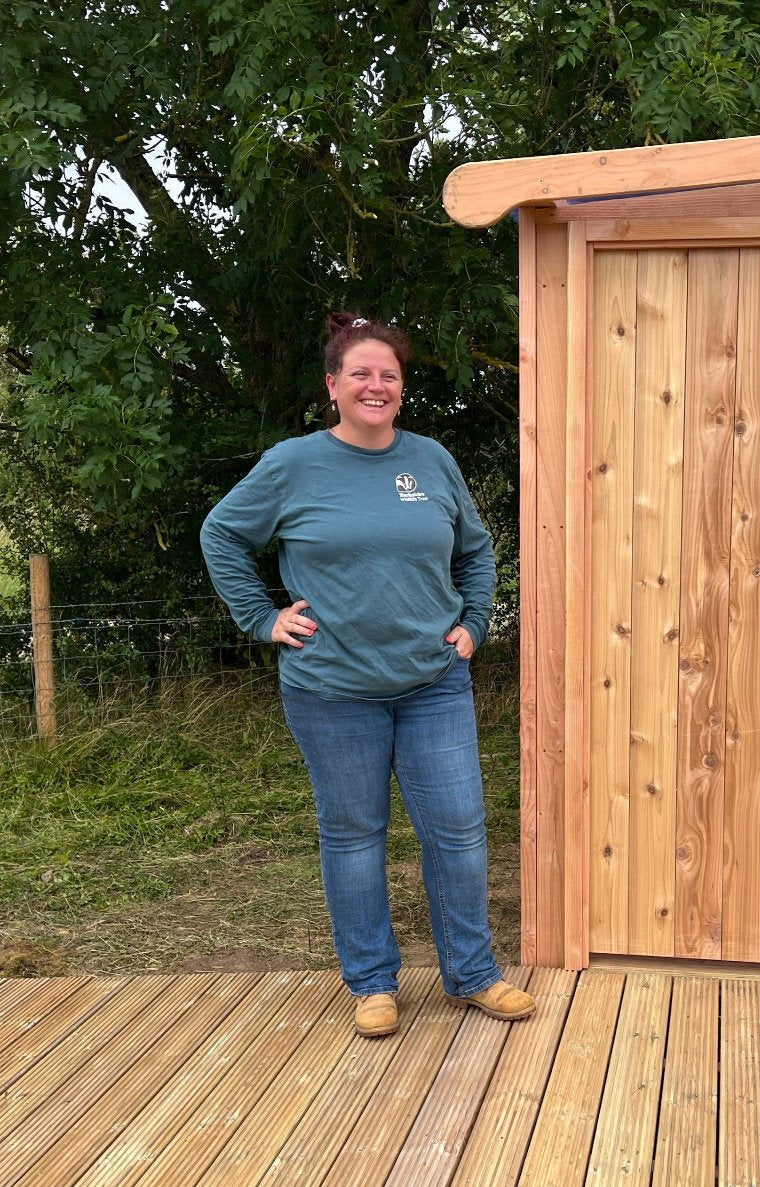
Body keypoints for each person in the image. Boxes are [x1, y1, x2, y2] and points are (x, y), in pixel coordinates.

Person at [200, 311, 533, 1037]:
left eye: (388, 374)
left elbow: (475, 550)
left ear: (402, 389)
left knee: (459, 831)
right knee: (354, 836)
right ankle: (373, 983)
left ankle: (473, 975)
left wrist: (475, 623)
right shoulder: (293, 464)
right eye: (361, 373)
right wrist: (263, 617)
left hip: (433, 682)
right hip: (331, 689)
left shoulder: (432, 461)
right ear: (334, 385)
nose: (375, 385)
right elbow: (221, 533)